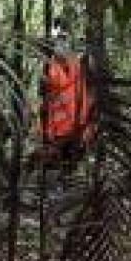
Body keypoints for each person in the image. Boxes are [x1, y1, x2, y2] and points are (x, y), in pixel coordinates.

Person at [40, 22, 96, 164]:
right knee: (59, 162)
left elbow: (86, 88)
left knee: (74, 162)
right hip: (58, 130)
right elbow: (44, 99)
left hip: (78, 125)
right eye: (58, 40)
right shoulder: (49, 67)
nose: (62, 44)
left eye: (64, 39)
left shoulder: (76, 64)